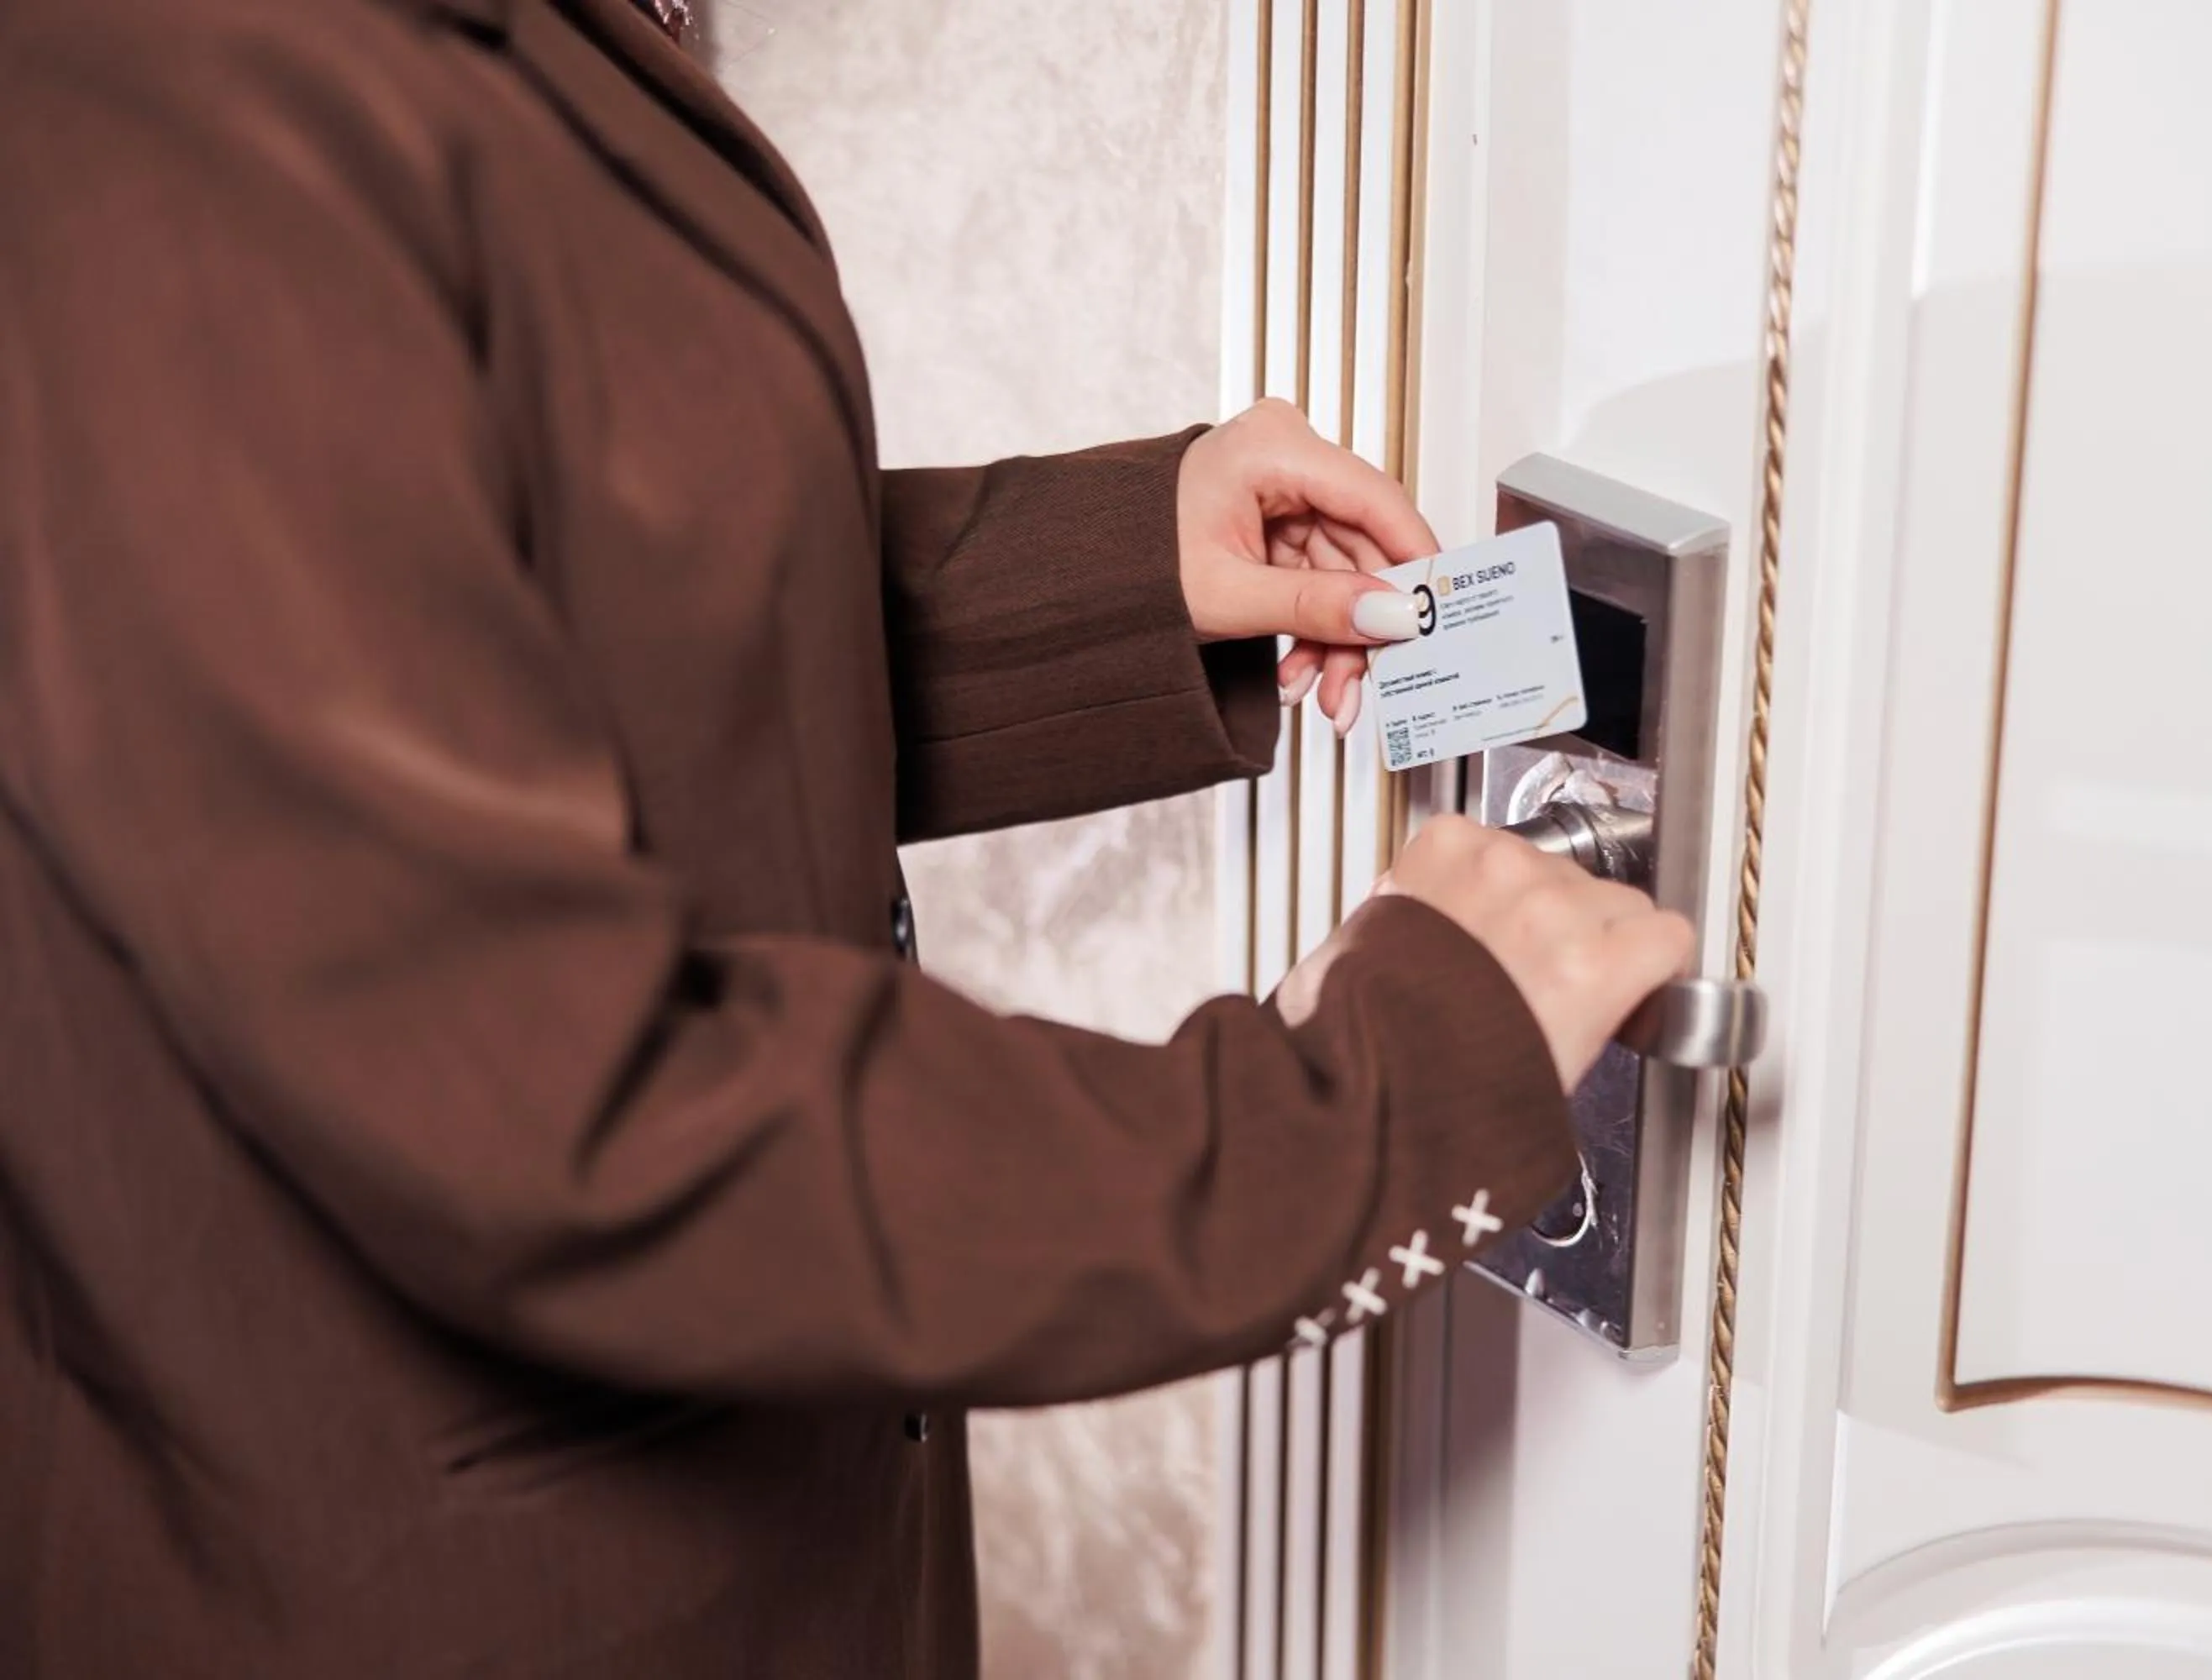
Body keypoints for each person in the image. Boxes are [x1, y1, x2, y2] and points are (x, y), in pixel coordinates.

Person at [0, 0, 1699, 1673]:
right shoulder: (161, 89)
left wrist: (1106, 580)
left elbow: (455, 627)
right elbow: (551, 1113)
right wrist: (1360, 1110)